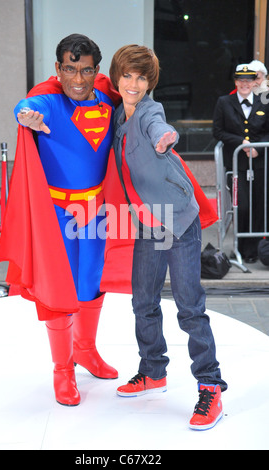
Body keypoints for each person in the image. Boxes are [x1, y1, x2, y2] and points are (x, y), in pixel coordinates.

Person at [0, 34, 121, 407]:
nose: (78, 79)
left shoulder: (110, 101)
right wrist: (24, 115)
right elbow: (25, 106)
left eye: (85, 70)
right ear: (58, 69)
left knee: (92, 282)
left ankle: (85, 349)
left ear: (96, 71)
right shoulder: (47, 103)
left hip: (96, 212)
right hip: (57, 214)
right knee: (59, 288)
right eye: (70, 69)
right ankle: (62, 369)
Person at [109, 44, 227, 431]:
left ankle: (210, 386)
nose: (133, 83)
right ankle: (153, 371)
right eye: (127, 75)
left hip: (178, 218)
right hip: (147, 221)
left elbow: (160, 128)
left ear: (150, 82)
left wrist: (166, 138)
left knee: (188, 305)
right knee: (143, 301)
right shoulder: (114, 116)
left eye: (141, 77)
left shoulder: (149, 111)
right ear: (117, 75)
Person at [213, 64, 269, 262]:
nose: (245, 84)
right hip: (237, 165)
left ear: (255, 82)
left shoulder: (264, 101)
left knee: (259, 206)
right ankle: (239, 246)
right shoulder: (224, 102)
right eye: (241, 80)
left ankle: (253, 251)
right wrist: (241, 143)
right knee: (242, 206)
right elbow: (218, 131)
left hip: (260, 163)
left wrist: (258, 147)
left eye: (249, 80)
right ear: (235, 82)